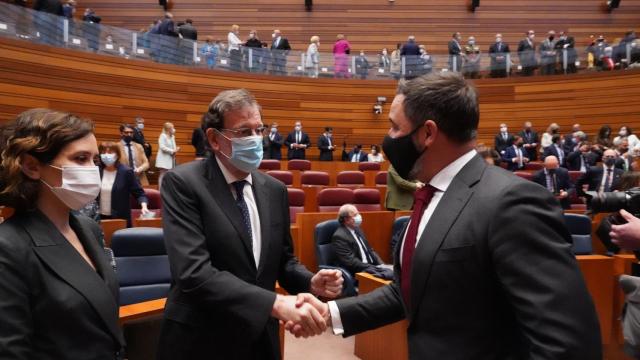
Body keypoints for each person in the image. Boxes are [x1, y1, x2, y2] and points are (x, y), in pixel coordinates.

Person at [289, 72, 602, 358]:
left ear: (427, 133)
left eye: (395, 127)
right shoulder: (430, 195)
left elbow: (567, 345)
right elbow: (410, 291)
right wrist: (331, 313)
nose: (389, 137)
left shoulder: (512, 203)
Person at [156, 89, 342, 360]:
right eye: (244, 132)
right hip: (201, 339)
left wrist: (310, 282)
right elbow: (193, 273)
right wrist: (275, 303)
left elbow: (282, 261)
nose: (256, 139)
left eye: (259, 130)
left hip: (258, 338)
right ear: (214, 139)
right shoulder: (183, 183)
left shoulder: (274, 189)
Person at [0, 108, 125, 358]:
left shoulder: (87, 228)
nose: (92, 170)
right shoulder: (8, 246)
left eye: (95, 160)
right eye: (80, 159)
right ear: (32, 166)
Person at [331, 204, 391, 279]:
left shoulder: (357, 229)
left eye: (358, 213)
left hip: (369, 267)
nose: (359, 216)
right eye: (355, 215)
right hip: (357, 272)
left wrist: (382, 265)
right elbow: (351, 262)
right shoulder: (339, 236)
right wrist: (374, 268)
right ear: (346, 219)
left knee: (392, 273)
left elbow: (370, 250)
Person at [98, 141, 149, 227]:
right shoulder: (96, 170)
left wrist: (144, 206)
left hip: (119, 218)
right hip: (98, 217)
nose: (106, 155)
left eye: (110, 152)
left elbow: (140, 194)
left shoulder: (126, 172)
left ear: (117, 155)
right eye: (103, 152)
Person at [156, 122, 180, 188]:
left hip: (171, 158)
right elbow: (162, 147)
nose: (174, 129)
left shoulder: (172, 136)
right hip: (163, 159)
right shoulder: (162, 136)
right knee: (163, 174)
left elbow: (173, 147)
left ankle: (167, 189)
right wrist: (172, 151)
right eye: (172, 128)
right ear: (169, 129)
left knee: (169, 174)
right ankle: (161, 190)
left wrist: (176, 149)